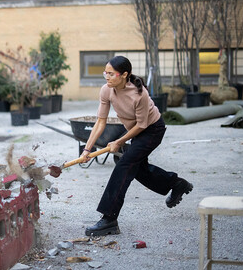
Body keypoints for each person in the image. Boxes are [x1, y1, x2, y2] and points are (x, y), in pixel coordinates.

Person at [80, 56, 193, 236]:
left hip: (152, 129)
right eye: (105, 74)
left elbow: (142, 125)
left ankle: (109, 219)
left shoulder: (139, 94)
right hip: (136, 129)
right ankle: (176, 183)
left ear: (124, 75)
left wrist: (119, 141)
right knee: (135, 167)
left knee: (125, 165)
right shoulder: (106, 90)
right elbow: (100, 122)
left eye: (111, 74)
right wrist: (87, 149)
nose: (107, 77)